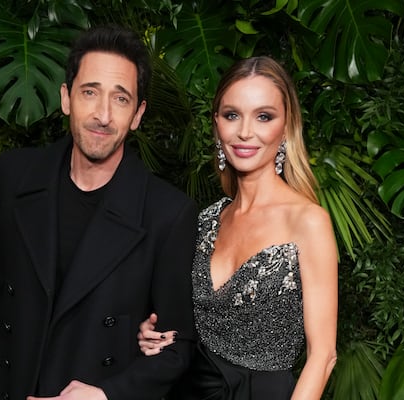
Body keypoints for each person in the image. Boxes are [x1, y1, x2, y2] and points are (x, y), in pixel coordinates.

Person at [0, 25, 198, 400]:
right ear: (66, 98)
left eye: (121, 99)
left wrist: (108, 395)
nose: (103, 115)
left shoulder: (167, 213)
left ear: (138, 114)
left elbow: (177, 347)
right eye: (90, 93)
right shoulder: (13, 177)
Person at [137, 56, 338, 399]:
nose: (245, 131)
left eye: (264, 116)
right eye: (232, 115)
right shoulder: (205, 220)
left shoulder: (308, 221)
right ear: (216, 124)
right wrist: (152, 332)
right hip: (189, 390)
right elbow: (188, 320)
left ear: (286, 126)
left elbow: (323, 356)